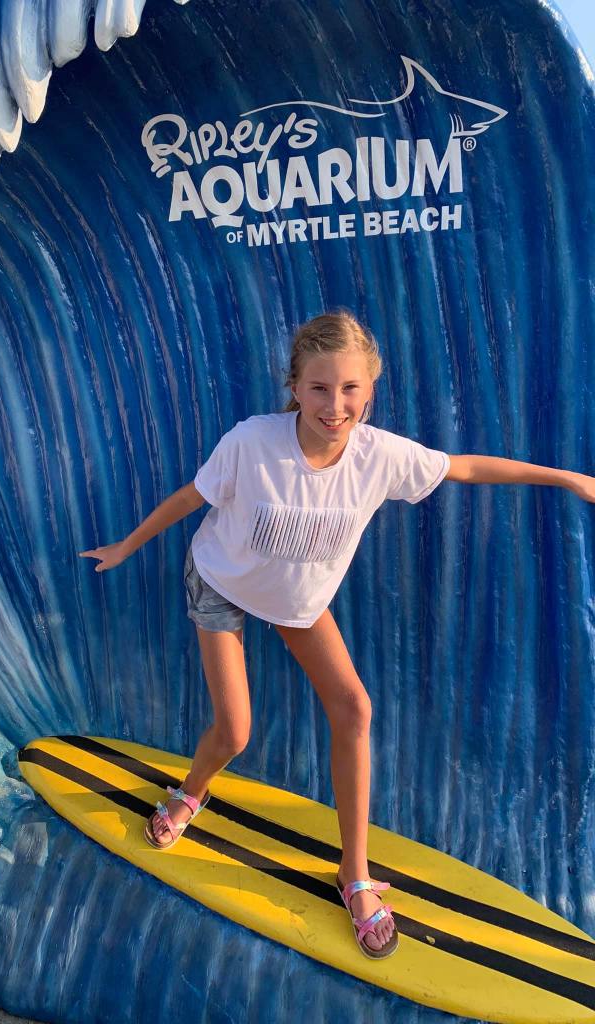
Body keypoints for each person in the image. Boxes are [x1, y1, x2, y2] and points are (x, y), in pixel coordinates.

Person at [80, 310, 595, 960]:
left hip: (297, 600)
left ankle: (354, 875)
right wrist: (128, 545)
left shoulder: (381, 455)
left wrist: (567, 478)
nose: (335, 405)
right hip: (222, 582)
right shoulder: (252, 441)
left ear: (370, 391)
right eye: (320, 388)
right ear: (295, 386)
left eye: (350, 388)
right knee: (235, 732)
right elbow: (192, 497)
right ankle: (190, 792)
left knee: (354, 709)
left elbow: (464, 468)